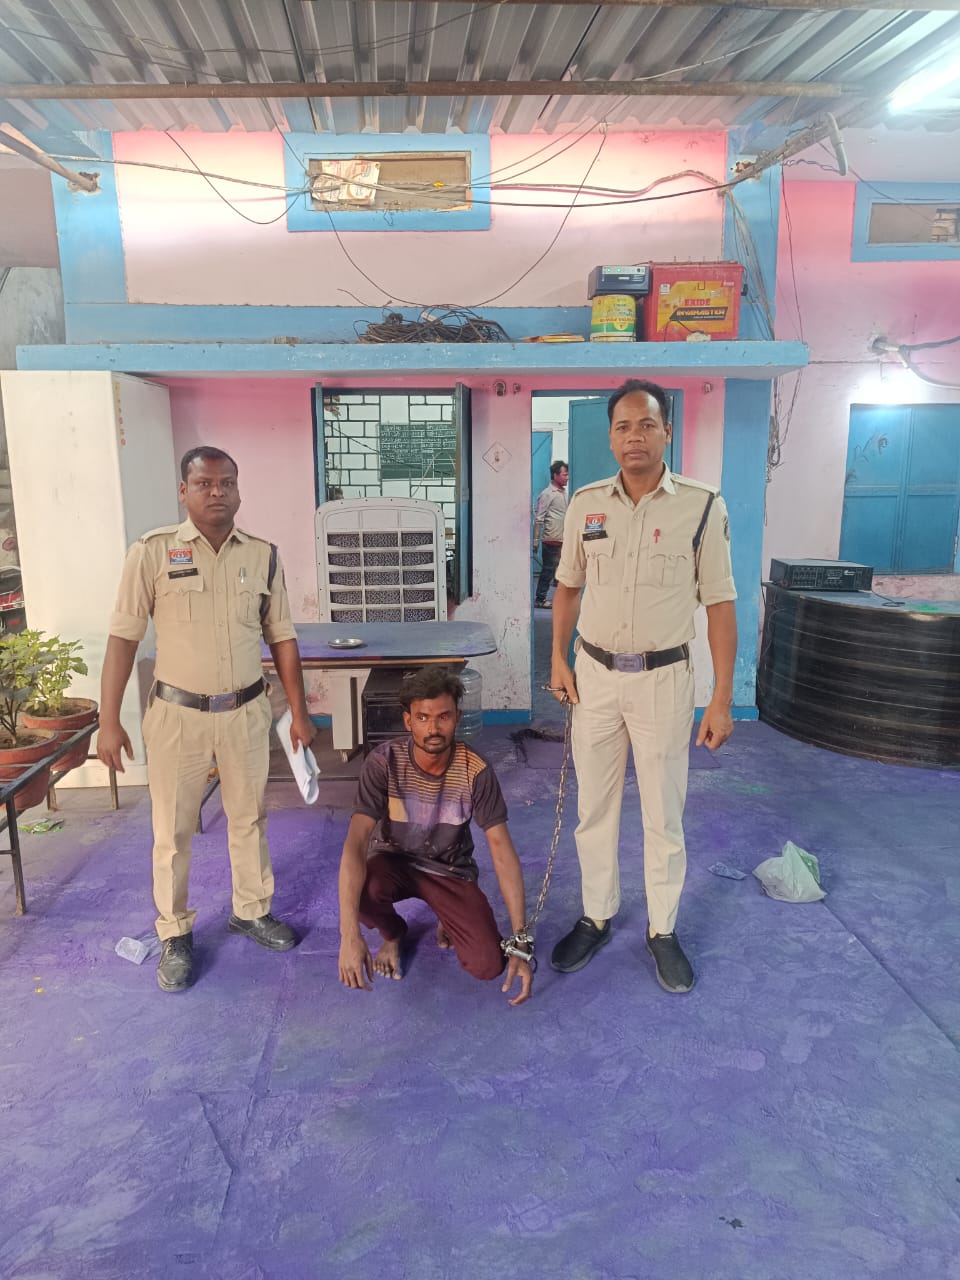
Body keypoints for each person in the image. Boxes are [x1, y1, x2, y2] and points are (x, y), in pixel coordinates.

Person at [97, 446, 316, 993]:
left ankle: (251, 910)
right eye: (204, 483)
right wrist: (108, 720)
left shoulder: (262, 556)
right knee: (172, 831)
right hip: (178, 717)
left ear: (238, 490)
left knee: (250, 818)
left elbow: (282, 637)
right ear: (184, 491)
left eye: (227, 483)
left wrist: (299, 711)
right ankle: (174, 932)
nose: (217, 492)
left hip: (245, 713)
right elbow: (123, 638)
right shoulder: (151, 553)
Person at [548, 379, 737, 994]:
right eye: (624, 427)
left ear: (666, 432)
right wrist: (558, 660)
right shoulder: (585, 504)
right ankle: (596, 915)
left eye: (647, 425)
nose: (635, 436)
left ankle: (663, 929)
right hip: (596, 679)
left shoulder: (702, 506)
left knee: (663, 813)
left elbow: (720, 605)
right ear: (611, 437)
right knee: (594, 809)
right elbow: (568, 588)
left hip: (664, 682)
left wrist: (721, 699)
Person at [337, 666, 534, 1006]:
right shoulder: (383, 763)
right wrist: (348, 935)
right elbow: (355, 843)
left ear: (457, 717)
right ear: (408, 721)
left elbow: (501, 851)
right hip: (393, 862)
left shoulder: (476, 770)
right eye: (423, 718)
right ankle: (394, 934)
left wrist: (520, 941)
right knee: (363, 893)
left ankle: (446, 913)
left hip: (449, 870)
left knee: (488, 965)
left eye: (443, 717)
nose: (433, 729)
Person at [532, 459, 569, 608]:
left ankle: (560, 600)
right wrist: (535, 540)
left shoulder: (564, 493)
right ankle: (540, 599)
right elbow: (539, 519)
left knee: (561, 572)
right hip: (551, 539)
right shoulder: (547, 494)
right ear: (555, 475)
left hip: (563, 538)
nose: (567, 478)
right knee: (547, 571)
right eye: (564, 475)